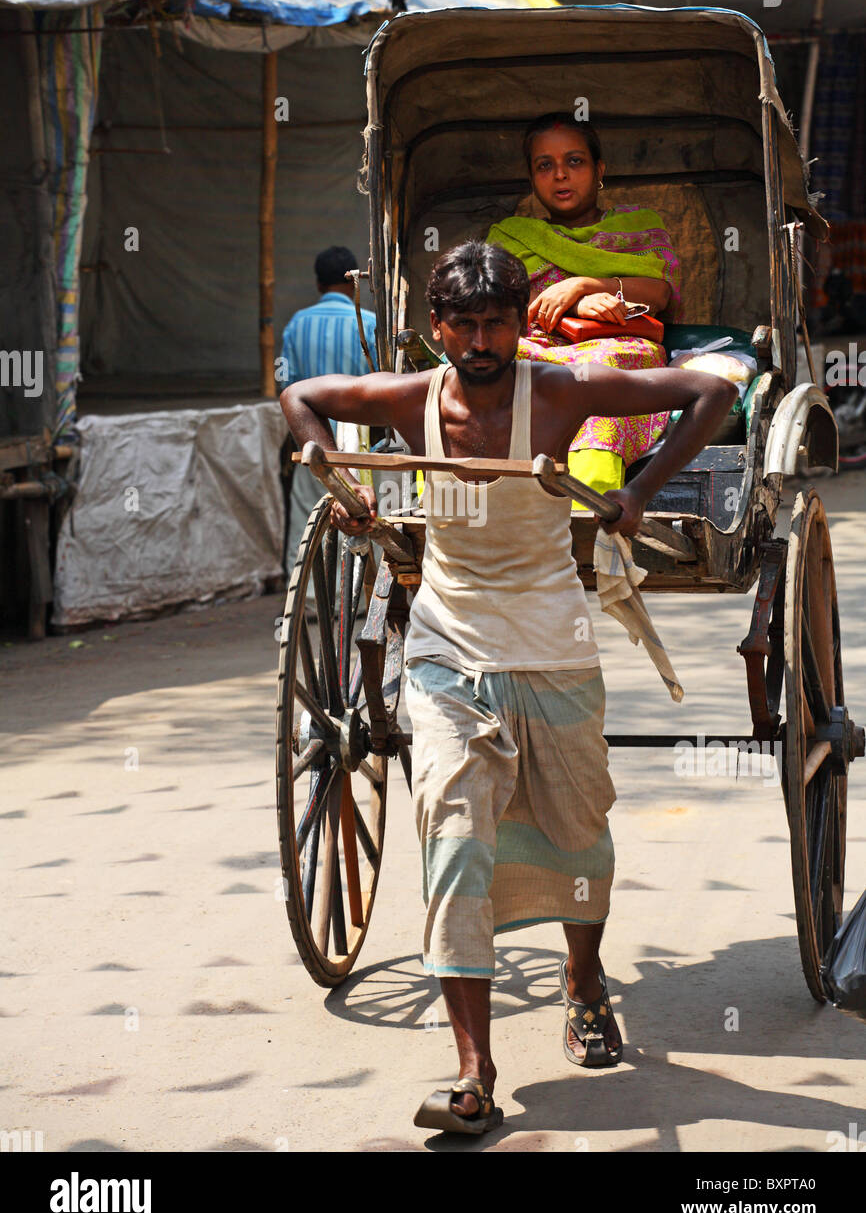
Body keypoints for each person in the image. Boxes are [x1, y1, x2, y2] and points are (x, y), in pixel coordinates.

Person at [278, 241, 736, 1134]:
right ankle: (473, 1070)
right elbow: (302, 399)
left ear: (520, 326)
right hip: (450, 643)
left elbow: (710, 391)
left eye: (497, 323)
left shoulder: (559, 392)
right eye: (464, 324)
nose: (481, 341)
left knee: (578, 835)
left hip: (554, 641)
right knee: (451, 835)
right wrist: (332, 474)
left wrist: (642, 488)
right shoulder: (414, 398)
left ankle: (583, 977)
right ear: (437, 328)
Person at [486, 114, 681, 502]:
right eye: (545, 166)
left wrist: (583, 285)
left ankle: (589, 518)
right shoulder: (510, 237)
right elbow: (493, 314)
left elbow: (659, 295)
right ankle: (456, 507)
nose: (560, 175)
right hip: (537, 346)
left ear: (599, 170)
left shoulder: (640, 227)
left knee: (598, 380)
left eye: (574, 161)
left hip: (615, 348)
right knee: (473, 368)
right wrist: (576, 305)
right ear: (532, 177)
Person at [278, 246, 378, 574]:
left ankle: (307, 595)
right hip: (359, 439)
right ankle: (359, 594)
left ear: (319, 285)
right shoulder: (369, 323)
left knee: (309, 510)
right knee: (361, 512)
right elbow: (381, 381)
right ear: (353, 282)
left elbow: (288, 384)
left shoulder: (297, 324)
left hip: (310, 433)